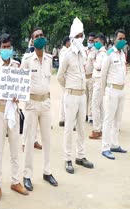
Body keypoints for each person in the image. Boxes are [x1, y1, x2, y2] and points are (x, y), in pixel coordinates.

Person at [0, 33, 29, 202]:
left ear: (11, 48)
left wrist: (18, 95)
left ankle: (15, 181)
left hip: (14, 112)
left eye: (8, 47)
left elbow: (22, 88)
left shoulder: (17, 66)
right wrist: (3, 94)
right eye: (3, 47)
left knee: (15, 149)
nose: (6, 50)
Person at [21, 27, 58, 191]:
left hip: (45, 104)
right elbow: (20, 82)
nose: (40, 38)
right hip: (31, 105)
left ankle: (47, 171)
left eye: (42, 35)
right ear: (32, 40)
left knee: (47, 139)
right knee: (29, 140)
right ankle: (27, 175)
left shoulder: (49, 59)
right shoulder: (27, 60)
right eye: (37, 36)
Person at [57, 17, 94, 174]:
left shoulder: (83, 53)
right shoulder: (67, 55)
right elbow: (60, 76)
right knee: (69, 128)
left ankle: (81, 156)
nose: (81, 38)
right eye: (78, 36)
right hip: (71, 95)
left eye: (82, 35)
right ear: (72, 38)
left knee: (81, 127)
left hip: (82, 95)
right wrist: (69, 88)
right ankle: (67, 159)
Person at [101, 29, 128, 160]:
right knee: (109, 119)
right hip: (112, 90)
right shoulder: (109, 54)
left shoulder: (123, 54)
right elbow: (103, 74)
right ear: (115, 39)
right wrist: (103, 91)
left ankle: (114, 144)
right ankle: (105, 147)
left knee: (118, 118)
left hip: (121, 90)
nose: (122, 41)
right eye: (120, 38)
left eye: (124, 39)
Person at [89, 33, 107, 139]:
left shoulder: (103, 53)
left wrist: (93, 61)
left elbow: (99, 67)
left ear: (102, 42)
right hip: (97, 80)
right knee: (100, 106)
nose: (95, 43)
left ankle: (97, 129)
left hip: (99, 81)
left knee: (95, 105)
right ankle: (103, 127)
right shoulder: (99, 52)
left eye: (97, 42)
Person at [58, 36, 71, 127]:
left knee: (64, 98)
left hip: (65, 78)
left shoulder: (64, 51)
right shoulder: (64, 52)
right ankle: (65, 118)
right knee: (66, 99)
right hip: (65, 78)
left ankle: (63, 118)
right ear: (67, 43)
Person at [85, 32, 96, 124]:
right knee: (84, 97)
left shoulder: (95, 51)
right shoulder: (84, 50)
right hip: (83, 77)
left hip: (92, 77)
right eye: (89, 40)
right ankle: (84, 114)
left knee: (92, 97)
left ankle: (91, 116)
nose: (90, 42)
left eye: (92, 41)